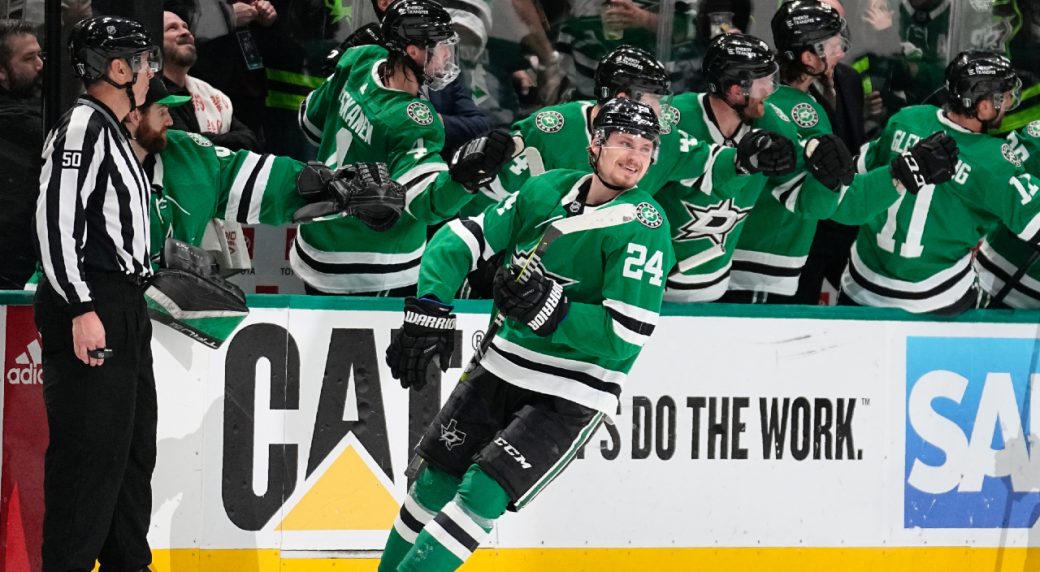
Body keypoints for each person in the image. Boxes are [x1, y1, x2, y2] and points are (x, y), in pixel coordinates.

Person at [379, 97, 674, 572]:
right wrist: (430, 305)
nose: (635, 156)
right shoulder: (546, 189)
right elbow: (459, 239)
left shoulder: (644, 226)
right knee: (432, 484)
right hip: (500, 364)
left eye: (645, 147)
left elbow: (626, 335)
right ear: (596, 144)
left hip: (572, 389)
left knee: (482, 491)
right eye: (624, 142)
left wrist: (554, 312)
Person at [122, 76, 403, 345]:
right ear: (134, 116)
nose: (170, 121)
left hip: (164, 334)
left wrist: (331, 187)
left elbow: (250, 178)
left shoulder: (184, 154)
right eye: (161, 112)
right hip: (112, 323)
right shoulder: (100, 169)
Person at [32, 15, 160, 572]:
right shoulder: (83, 127)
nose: (151, 72)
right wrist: (81, 307)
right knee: (89, 458)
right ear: (118, 69)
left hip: (122, 304)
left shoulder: (112, 130)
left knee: (130, 454)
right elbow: (55, 224)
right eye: (143, 61)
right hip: (93, 302)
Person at [295, 0, 515, 295]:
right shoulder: (415, 120)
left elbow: (309, 121)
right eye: (441, 45)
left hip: (316, 241)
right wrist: (465, 179)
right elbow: (427, 204)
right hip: (375, 263)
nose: (447, 54)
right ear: (413, 51)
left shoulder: (360, 58)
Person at [839, 50, 1040, 315]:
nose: (1009, 102)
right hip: (934, 299)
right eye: (1003, 97)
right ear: (983, 106)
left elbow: (857, 171)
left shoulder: (906, 119)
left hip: (860, 283)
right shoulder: (994, 162)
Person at [722, 0, 849, 303]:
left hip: (744, 249)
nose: (841, 53)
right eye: (834, 46)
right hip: (765, 257)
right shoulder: (799, 109)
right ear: (808, 57)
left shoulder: (764, 94)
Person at [161, 10, 261, 151]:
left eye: (185, 27)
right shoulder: (153, 94)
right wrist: (226, 139)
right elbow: (186, 146)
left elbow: (249, 140)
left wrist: (207, 139)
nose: (185, 32)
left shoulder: (210, 94)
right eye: (172, 28)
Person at [0, 19, 43, 289]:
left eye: (40, 55)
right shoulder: (19, 123)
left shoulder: (35, 110)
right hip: (13, 268)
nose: (40, 65)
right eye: (29, 58)